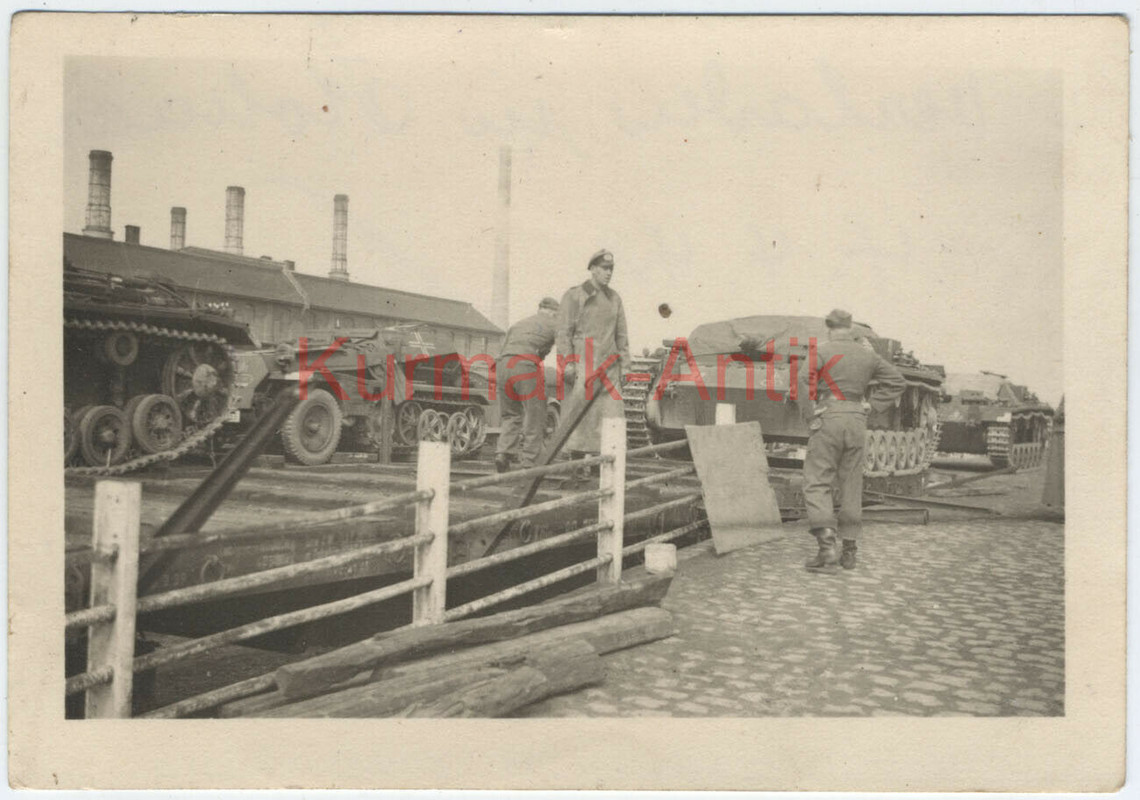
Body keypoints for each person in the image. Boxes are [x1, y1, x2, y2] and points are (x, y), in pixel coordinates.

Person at [797, 308, 906, 572]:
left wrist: (811, 415)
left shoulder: (820, 351)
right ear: (851, 328)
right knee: (852, 484)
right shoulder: (868, 355)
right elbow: (897, 381)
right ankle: (849, 552)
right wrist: (873, 405)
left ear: (829, 327)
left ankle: (827, 551)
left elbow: (802, 380)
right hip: (857, 419)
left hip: (829, 418)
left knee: (817, 482)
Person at [556, 249, 631, 478]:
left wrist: (626, 366)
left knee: (610, 419)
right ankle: (576, 470)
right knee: (579, 417)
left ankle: (603, 471)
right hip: (583, 362)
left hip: (609, 366)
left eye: (611, 269)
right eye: (605, 269)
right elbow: (563, 332)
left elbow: (622, 336)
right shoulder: (575, 295)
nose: (609, 273)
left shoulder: (614, 298)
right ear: (593, 269)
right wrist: (567, 363)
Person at [494, 296, 560, 473]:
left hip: (503, 366)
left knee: (510, 414)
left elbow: (503, 348)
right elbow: (565, 348)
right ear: (553, 312)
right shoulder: (555, 324)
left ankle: (503, 454)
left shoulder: (518, 324)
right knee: (535, 413)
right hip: (525, 365)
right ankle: (530, 462)